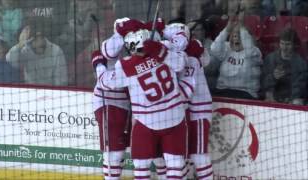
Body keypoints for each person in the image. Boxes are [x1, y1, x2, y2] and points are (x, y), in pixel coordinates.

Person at [94, 26, 188, 179]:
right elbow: (181, 61)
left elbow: (105, 82)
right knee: (176, 165)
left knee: (141, 167)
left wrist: (98, 64)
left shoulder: (125, 66)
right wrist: (161, 51)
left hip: (147, 122)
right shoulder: (164, 50)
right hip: (175, 118)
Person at [161, 22, 213, 180]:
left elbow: (187, 88)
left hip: (198, 111)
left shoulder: (190, 57)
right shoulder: (187, 53)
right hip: (185, 112)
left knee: (198, 155)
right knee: (180, 156)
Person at [91, 18, 133, 180]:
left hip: (127, 103)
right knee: (113, 151)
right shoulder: (112, 44)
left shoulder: (136, 42)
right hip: (107, 101)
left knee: (120, 150)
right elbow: (109, 52)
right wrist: (122, 33)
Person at [210, 13, 262, 100]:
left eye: (240, 36)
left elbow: (249, 50)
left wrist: (241, 27)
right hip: (223, 90)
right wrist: (227, 29)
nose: (236, 38)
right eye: (234, 35)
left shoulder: (254, 52)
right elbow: (214, 48)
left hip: (246, 93)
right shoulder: (226, 48)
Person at [262, 28, 308, 105]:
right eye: (282, 43)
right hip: (274, 96)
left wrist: (290, 99)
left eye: (288, 44)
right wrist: (273, 77)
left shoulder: (300, 63)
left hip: (292, 98)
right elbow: (264, 84)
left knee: (298, 102)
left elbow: (300, 87)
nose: (284, 48)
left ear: (294, 45)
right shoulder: (270, 59)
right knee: (268, 95)